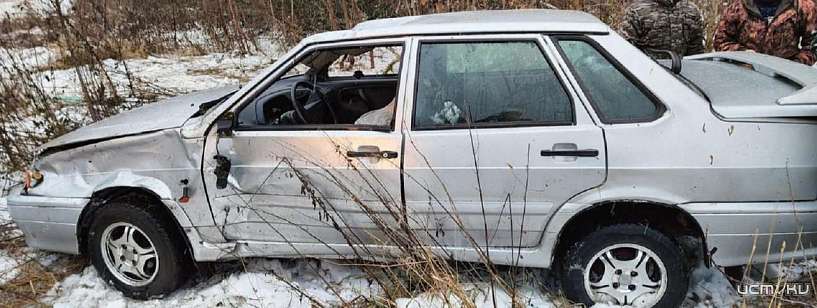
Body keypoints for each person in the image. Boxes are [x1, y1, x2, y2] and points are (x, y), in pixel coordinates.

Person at [713, 0, 817, 65]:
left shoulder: (803, 7)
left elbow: (813, 46)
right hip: (745, 73)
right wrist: (742, 54)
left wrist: (793, 65)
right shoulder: (737, 7)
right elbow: (721, 40)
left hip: (787, 79)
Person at [620, 0, 706, 58]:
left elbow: (696, 53)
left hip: (683, 78)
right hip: (647, 77)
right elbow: (625, 52)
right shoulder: (637, 11)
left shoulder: (691, 10)